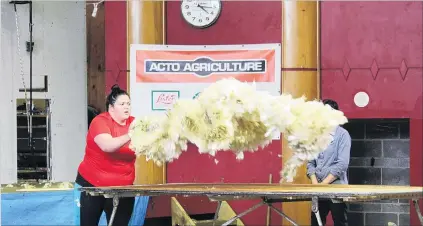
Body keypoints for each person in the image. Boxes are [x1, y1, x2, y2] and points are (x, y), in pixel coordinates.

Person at [75, 84, 136, 226]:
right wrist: (130, 135)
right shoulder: (100, 122)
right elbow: (107, 146)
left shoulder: (135, 123)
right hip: (93, 184)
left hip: (123, 188)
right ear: (111, 107)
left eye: (128, 103)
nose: (126, 107)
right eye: (122, 104)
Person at [306, 99, 351, 226]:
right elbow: (310, 162)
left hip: (336, 187)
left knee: (340, 221)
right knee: (316, 222)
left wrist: (323, 185)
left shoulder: (343, 135)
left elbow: (342, 164)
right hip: (317, 187)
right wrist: (315, 184)